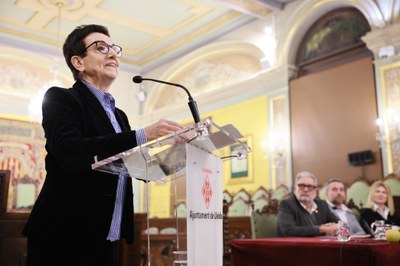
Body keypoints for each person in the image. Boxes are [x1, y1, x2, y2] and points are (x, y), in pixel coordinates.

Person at [22, 24, 186, 266]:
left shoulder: (119, 116)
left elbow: (137, 167)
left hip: (108, 234)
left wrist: (182, 150)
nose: (113, 54)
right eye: (101, 48)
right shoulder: (61, 98)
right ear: (78, 62)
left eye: (114, 48)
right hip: (64, 235)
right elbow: (70, 151)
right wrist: (143, 134)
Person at [277, 171, 339, 237]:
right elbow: (289, 230)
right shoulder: (286, 205)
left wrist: (335, 227)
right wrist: (322, 229)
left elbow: (341, 224)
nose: (306, 190)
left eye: (310, 186)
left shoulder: (322, 205)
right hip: (294, 246)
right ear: (295, 188)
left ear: (315, 190)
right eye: (301, 186)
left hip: (320, 245)